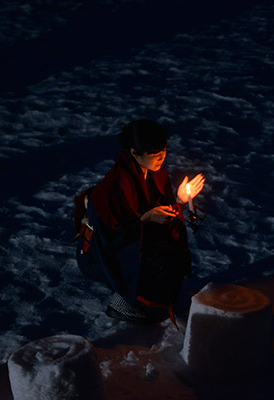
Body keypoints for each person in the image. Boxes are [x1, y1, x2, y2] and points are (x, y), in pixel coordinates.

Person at [73, 119, 205, 323]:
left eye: (163, 152)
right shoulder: (113, 187)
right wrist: (145, 220)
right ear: (134, 153)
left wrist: (179, 200)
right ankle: (124, 302)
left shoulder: (156, 173)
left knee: (173, 251)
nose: (161, 158)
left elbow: (162, 214)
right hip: (100, 255)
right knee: (161, 258)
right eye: (154, 155)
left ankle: (153, 299)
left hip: (138, 239)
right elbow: (109, 238)